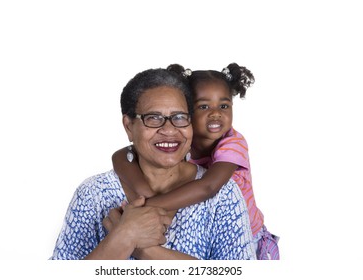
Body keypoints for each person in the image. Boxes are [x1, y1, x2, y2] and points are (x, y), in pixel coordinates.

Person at [50, 67, 256, 260]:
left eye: (179, 117)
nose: (169, 129)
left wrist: (146, 250)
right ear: (129, 126)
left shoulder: (225, 195)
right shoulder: (93, 194)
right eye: (153, 118)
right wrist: (123, 237)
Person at [112, 63, 279, 260]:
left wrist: (146, 207)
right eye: (204, 106)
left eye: (224, 106)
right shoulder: (182, 140)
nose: (216, 113)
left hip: (248, 237)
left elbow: (208, 187)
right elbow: (121, 156)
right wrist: (143, 197)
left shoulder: (233, 142)